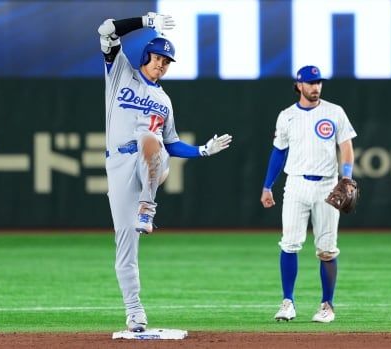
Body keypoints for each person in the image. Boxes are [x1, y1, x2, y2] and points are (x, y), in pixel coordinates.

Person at [98, 12, 232, 332]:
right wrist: (146, 21)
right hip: (118, 164)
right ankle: (134, 311)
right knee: (125, 242)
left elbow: (170, 143)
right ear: (146, 56)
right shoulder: (120, 73)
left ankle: (148, 205)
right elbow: (106, 30)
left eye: (167, 61)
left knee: (149, 138)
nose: (162, 64)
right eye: (158, 57)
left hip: (153, 165)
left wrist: (201, 150)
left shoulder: (164, 101)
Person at [260, 65, 357, 323]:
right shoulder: (287, 116)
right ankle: (287, 302)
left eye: (319, 82)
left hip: (327, 186)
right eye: (311, 83)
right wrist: (267, 185)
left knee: (327, 249)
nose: (316, 87)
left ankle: (327, 305)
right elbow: (278, 151)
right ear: (299, 85)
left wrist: (346, 176)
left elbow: (346, 147)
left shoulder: (334, 112)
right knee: (289, 244)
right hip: (296, 184)